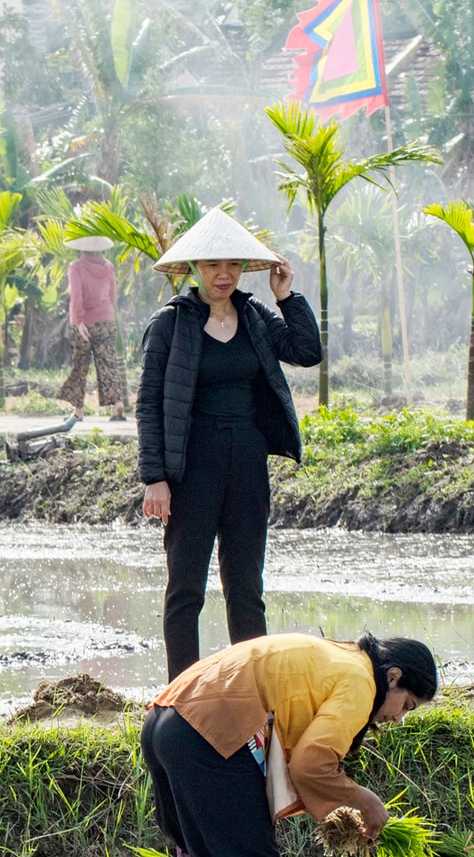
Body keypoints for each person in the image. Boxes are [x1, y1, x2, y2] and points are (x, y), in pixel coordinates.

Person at [143, 633, 437, 857]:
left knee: (201, 853)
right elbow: (311, 764)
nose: (398, 718)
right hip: (206, 731)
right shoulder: (361, 682)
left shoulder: (342, 657)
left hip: (164, 719)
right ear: (393, 677)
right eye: (407, 705)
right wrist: (365, 801)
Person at [137, 209, 322, 679]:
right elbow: (149, 404)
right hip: (192, 467)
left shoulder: (256, 316)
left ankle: (253, 692)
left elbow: (307, 352)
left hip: (247, 462)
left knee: (246, 587)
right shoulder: (170, 324)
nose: (224, 274)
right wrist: (154, 477)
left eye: (234, 265)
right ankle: (182, 695)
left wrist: (287, 296)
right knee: (186, 589)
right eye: (213, 265)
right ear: (194, 268)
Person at [58, 236, 124, 420]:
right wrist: (106, 312)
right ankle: (118, 403)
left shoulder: (76, 267)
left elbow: (76, 295)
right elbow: (112, 295)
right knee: (108, 363)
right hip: (106, 320)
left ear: (80, 248)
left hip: (84, 324)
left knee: (81, 366)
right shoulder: (108, 266)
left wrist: (79, 321)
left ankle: (78, 411)